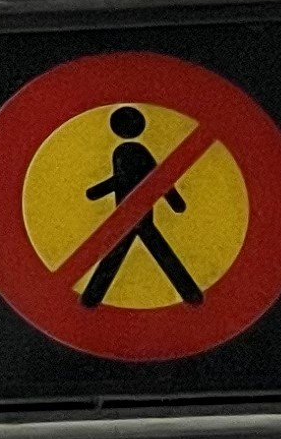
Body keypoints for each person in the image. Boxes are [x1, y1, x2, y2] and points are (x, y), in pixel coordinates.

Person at [79, 106, 204, 308]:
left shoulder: (124, 152)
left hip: (132, 215)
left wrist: (96, 192)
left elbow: (133, 178)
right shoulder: (131, 151)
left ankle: (90, 299)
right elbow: (155, 178)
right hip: (136, 214)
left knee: (120, 255)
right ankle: (191, 294)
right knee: (152, 253)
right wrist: (175, 202)